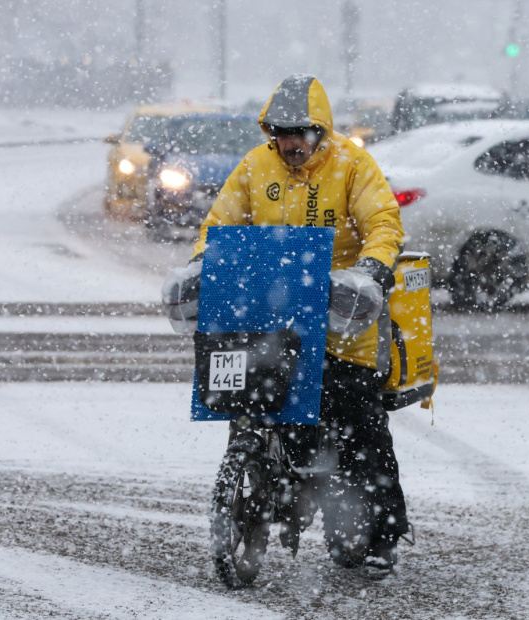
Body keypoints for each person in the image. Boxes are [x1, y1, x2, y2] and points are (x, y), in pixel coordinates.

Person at [167, 75, 410, 577]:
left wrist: (371, 269)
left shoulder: (352, 164)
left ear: (320, 131)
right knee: (248, 400)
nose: (291, 142)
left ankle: (381, 534)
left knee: (359, 429)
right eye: (281, 132)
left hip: (344, 325)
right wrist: (200, 265)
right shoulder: (256, 166)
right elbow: (220, 227)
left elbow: (383, 222)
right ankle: (258, 481)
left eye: (300, 132)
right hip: (268, 319)